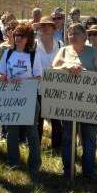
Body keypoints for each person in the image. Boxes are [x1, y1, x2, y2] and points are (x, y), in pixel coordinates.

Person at [53, 24, 97, 178]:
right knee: (68, 136)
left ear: (85, 36)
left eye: (77, 33)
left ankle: (88, 172)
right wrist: (66, 66)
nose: (73, 36)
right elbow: (53, 67)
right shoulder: (63, 50)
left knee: (89, 136)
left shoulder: (94, 52)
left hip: (89, 103)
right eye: (70, 33)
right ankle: (68, 169)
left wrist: (85, 72)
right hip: (69, 102)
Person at [0, 23, 43, 173]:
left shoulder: (33, 55)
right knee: (12, 131)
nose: (18, 38)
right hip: (11, 98)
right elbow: (1, 74)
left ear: (28, 38)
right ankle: (13, 162)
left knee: (32, 132)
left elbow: (38, 77)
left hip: (29, 98)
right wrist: (2, 78)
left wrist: (22, 81)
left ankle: (35, 164)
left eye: (22, 35)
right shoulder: (8, 53)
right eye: (16, 35)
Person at [34, 16, 64, 148]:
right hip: (38, 87)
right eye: (43, 25)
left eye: (49, 25)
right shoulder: (33, 45)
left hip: (55, 87)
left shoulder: (60, 44)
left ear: (53, 28)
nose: (46, 28)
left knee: (56, 120)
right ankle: (37, 145)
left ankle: (57, 147)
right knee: (38, 119)